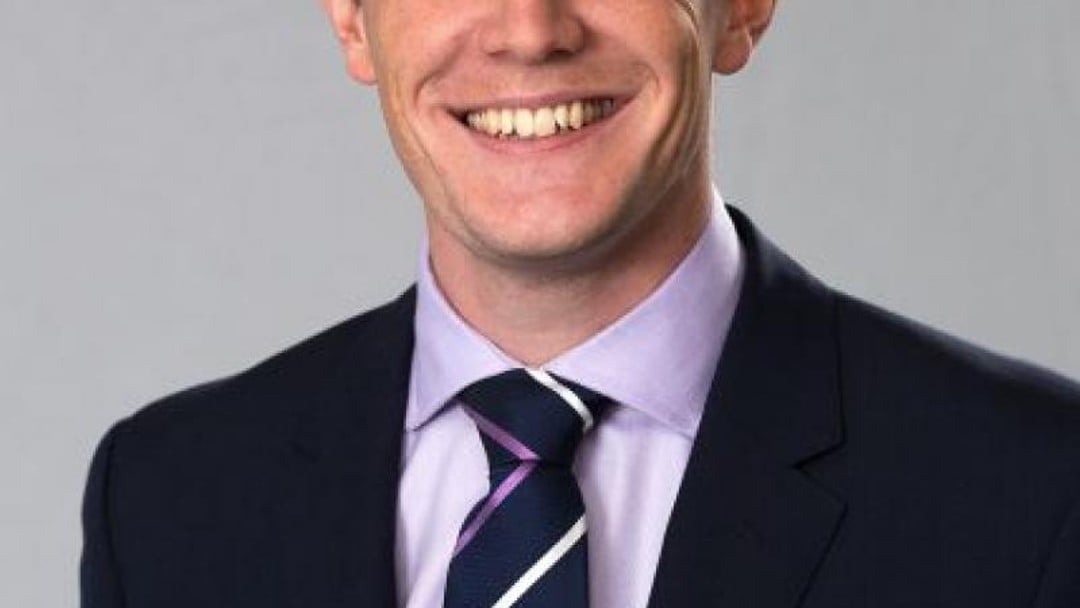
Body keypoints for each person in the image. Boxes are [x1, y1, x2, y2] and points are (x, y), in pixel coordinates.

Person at [80, 0, 1080, 606]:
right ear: (351, 18)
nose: (532, 30)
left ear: (742, 8)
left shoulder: (1037, 496)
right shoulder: (166, 505)